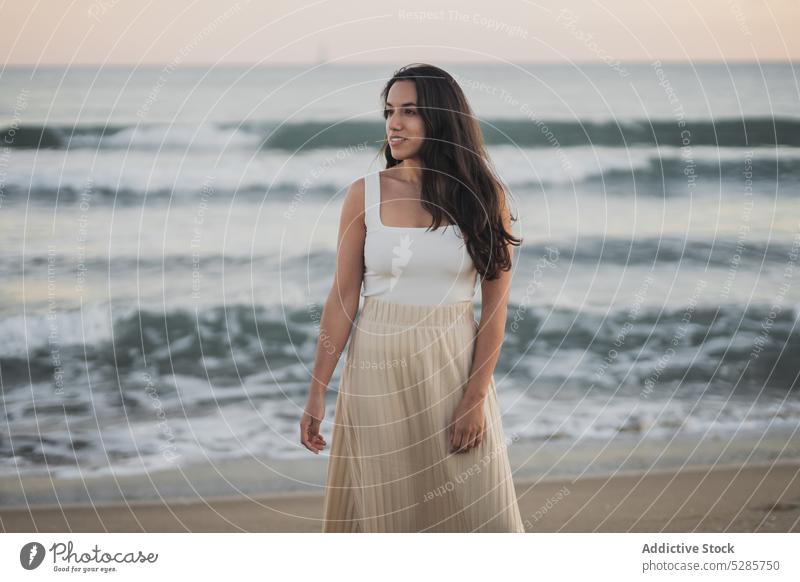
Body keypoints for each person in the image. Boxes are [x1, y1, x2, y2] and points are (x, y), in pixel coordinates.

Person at [300, 63, 525, 532]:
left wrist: (475, 398)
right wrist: (317, 391)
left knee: (481, 516)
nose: (394, 124)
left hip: (451, 368)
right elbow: (343, 298)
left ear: (441, 118)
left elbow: (495, 309)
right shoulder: (364, 195)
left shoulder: (485, 196)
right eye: (389, 112)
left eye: (409, 111)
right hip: (374, 373)